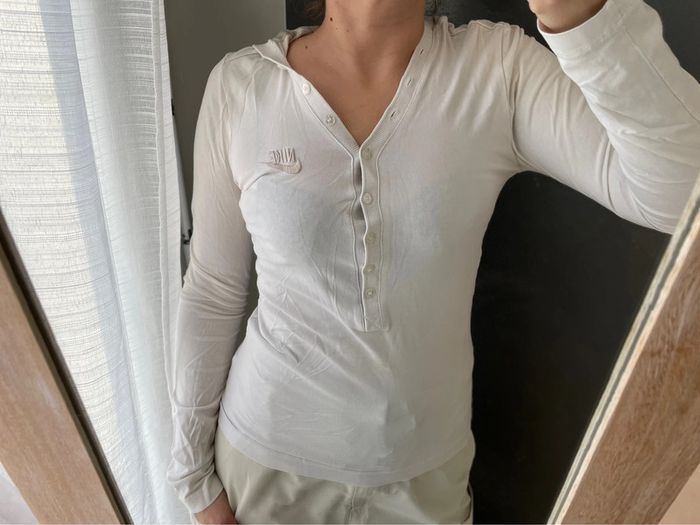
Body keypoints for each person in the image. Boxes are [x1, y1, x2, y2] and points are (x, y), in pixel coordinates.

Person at [165, 0, 700, 523]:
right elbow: (213, 290)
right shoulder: (241, 86)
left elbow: (679, 194)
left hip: (423, 484)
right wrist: (193, 478)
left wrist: (580, 14)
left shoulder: (495, 71)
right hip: (264, 470)